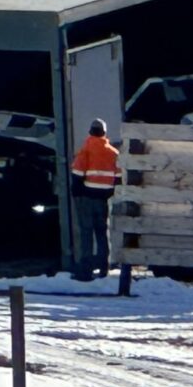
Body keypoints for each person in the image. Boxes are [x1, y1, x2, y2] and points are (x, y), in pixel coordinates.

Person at [71, 118, 120, 280]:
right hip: (104, 199)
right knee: (102, 233)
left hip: (86, 198)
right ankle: (104, 268)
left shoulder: (85, 150)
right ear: (105, 133)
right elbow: (118, 178)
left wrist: (76, 193)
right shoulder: (113, 153)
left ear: (90, 132)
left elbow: (77, 175)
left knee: (86, 233)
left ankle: (85, 271)